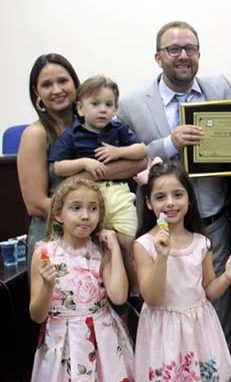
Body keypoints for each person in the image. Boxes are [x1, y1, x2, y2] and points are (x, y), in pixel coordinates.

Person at [117, 21, 231, 344]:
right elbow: (117, 160)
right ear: (158, 57)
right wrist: (168, 144)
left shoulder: (223, 88)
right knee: (166, 311)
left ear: (199, 54)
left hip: (214, 226)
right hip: (160, 231)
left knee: (217, 308)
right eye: (174, 49)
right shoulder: (130, 106)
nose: (183, 55)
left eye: (191, 48)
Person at [18, 54, 144, 276]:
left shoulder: (97, 125)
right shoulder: (35, 134)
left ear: (76, 85)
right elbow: (36, 205)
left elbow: (140, 161)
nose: (56, 89)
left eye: (63, 81)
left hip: (96, 232)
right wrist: (88, 219)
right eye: (47, 85)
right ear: (37, 94)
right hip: (55, 237)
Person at [133, 162, 231, 382]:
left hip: (200, 330)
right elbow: (152, 298)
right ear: (149, 202)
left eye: (178, 195)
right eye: (160, 197)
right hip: (164, 333)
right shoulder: (144, 245)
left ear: (189, 199)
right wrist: (162, 257)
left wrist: (228, 276)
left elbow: (209, 291)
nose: (170, 203)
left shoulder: (202, 242)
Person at [29, 177, 134, 382]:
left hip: (103, 341)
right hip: (62, 343)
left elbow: (118, 296)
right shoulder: (45, 253)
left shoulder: (101, 251)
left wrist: (115, 249)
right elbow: (37, 315)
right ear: (59, 214)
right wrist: (48, 286)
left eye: (93, 208)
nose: (86, 215)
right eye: (76, 208)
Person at [49, 75, 147, 293]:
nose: (103, 109)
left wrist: (117, 151)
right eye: (95, 104)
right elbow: (58, 167)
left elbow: (142, 150)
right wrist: (84, 162)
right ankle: (106, 294)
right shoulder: (72, 135)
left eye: (109, 105)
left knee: (130, 244)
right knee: (99, 248)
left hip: (119, 193)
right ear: (80, 108)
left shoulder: (118, 129)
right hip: (89, 199)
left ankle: (136, 293)